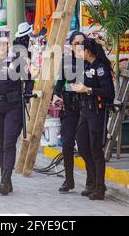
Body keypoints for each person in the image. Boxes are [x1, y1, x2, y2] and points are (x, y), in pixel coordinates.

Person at [0, 26, 34, 196]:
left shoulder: (17, 59)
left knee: (9, 144)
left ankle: (3, 182)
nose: (2, 46)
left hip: (13, 106)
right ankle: (7, 181)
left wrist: (27, 95)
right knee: (0, 143)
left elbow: (29, 79)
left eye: (5, 43)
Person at [72, 38, 115, 200]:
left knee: (96, 149)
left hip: (97, 111)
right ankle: (93, 181)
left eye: (82, 49)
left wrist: (88, 89)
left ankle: (99, 187)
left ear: (88, 51)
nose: (80, 52)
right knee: (83, 146)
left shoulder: (101, 68)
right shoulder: (87, 66)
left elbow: (108, 92)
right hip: (85, 111)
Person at [52, 31, 86, 193]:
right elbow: (59, 83)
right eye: (76, 43)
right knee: (67, 143)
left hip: (86, 106)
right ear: (71, 45)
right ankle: (69, 179)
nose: (79, 46)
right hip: (69, 107)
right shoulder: (66, 61)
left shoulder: (90, 60)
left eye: (82, 43)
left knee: (87, 145)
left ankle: (91, 181)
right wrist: (56, 96)